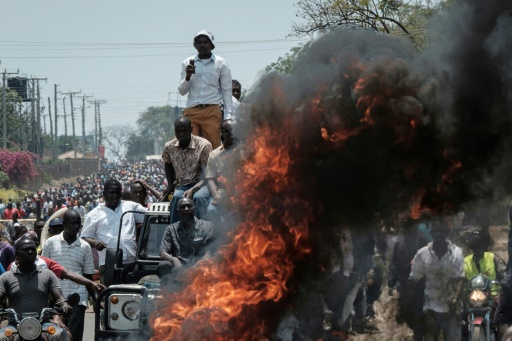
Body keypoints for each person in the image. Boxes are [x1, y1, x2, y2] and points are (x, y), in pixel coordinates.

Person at [0, 238, 72, 341]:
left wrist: (64, 304)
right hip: (14, 325)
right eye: (26, 249)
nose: (30, 252)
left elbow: (59, 297)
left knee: (63, 335)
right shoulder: (6, 277)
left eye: (32, 249)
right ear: (16, 254)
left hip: (44, 325)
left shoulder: (48, 275)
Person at [81, 179, 147, 284]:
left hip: (132, 263)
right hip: (109, 264)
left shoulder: (130, 207)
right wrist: (95, 243)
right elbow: (84, 237)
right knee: (111, 296)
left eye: (117, 193)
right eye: (111, 193)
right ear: (104, 194)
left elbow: (150, 215)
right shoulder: (94, 214)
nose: (115, 196)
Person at [408, 219, 465, 341]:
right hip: (431, 307)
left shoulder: (456, 253)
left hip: (452, 308)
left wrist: (455, 298)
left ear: (447, 232)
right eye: (436, 231)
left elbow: (459, 279)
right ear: (431, 233)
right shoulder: (422, 254)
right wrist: (409, 302)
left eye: (442, 231)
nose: (439, 234)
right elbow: (414, 279)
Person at [42, 209, 95, 341]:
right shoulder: (50, 243)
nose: (76, 227)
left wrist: (95, 298)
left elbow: (88, 277)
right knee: (54, 335)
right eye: (73, 223)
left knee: (74, 336)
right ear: (64, 223)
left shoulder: (85, 246)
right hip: (54, 299)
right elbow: (43, 271)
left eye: (78, 224)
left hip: (78, 299)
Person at [178, 29, 233, 149]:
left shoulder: (220, 63)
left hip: (211, 111)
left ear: (211, 45)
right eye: (200, 42)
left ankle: (212, 168)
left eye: (205, 42)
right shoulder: (187, 63)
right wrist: (187, 76)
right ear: (195, 45)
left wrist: (228, 117)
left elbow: (227, 91)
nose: (202, 45)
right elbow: (182, 91)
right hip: (192, 110)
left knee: (213, 147)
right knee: (190, 148)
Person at [162, 117, 211, 223]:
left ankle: (201, 230)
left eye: (184, 131)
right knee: (176, 198)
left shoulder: (203, 145)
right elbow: (168, 164)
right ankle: (174, 231)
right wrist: (170, 185)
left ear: (191, 129)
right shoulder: (169, 146)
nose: (181, 134)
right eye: (178, 131)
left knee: (198, 198)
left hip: (202, 183)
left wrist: (193, 190)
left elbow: (208, 174)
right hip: (182, 185)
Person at [157, 197, 214, 285]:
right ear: (178, 211)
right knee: (164, 265)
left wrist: (196, 267)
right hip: (178, 269)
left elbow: (209, 252)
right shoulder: (171, 229)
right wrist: (174, 259)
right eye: (183, 207)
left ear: (194, 208)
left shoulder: (207, 226)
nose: (186, 209)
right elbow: (163, 252)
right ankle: (168, 294)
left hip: (200, 268)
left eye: (189, 206)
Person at [205, 119, 239, 223]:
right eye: (227, 131)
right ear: (222, 134)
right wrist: (216, 195)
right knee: (211, 210)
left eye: (234, 130)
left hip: (241, 192)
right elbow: (210, 178)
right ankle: (214, 238)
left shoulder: (246, 151)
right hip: (222, 192)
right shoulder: (214, 155)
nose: (231, 133)